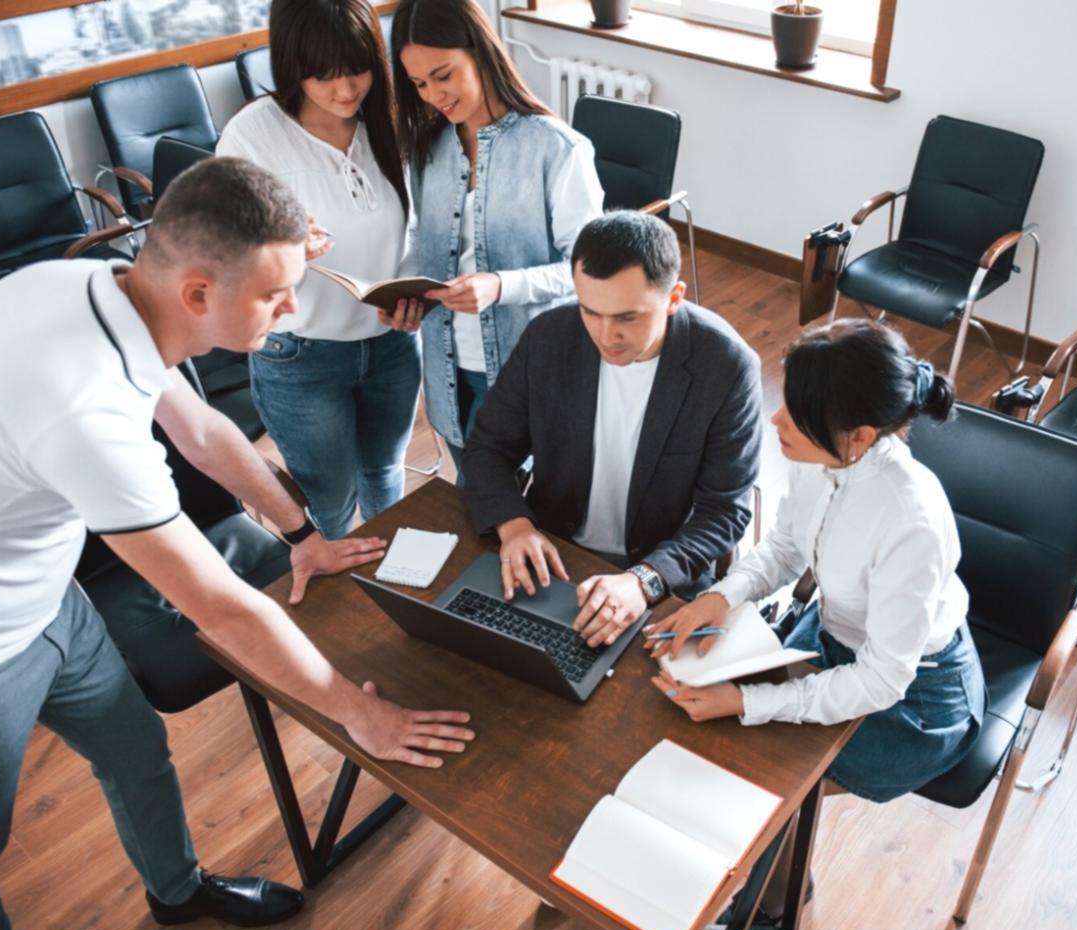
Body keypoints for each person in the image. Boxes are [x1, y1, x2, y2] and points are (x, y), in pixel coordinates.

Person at [0, 158, 475, 930]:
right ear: (198, 294)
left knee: (137, 752)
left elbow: (202, 432)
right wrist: (363, 718)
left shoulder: (90, 287)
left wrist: (304, 538)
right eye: (275, 293)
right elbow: (221, 607)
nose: (292, 307)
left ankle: (178, 894)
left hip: (48, 597)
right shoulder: (84, 409)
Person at [649, 319, 985, 806]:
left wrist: (747, 701)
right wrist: (721, 596)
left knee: (760, 784)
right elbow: (785, 548)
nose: (776, 420)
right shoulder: (824, 456)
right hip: (831, 636)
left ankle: (783, 855)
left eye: (796, 412)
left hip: (912, 697)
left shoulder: (911, 521)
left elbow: (881, 680)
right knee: (713, 740)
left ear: (860, 435)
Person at [461, 211, 762, 647]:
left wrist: (644, 580)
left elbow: (724, 511)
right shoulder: (548, 337)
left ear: (674, 298)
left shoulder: (728, 367)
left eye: (627, 317)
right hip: (552, 553)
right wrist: (514, 525)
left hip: (662, 575)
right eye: (590, 311)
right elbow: (488, 447)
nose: (606, 335)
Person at [217, 0, 423, 539]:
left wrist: (413, 293)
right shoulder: (252, 136)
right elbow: (224, 254)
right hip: (300, 355)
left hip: (391, 343)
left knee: (384, 476)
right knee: (328, 503)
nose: (347, 90)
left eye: (358, 69)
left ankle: (389, 579)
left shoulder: (392, 119)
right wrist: (282, 250)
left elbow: (420, 226)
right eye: (324, 75)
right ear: (292, 66)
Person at [390, 0, 605, 477]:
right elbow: (421, 240)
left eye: (443, 75)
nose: (433, 95)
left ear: (480, 51)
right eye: (419, 84)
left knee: (507, 501)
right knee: (474, 498)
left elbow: (589, 272)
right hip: (447, 370)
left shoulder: (557, 148)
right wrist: (404, 292)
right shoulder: (428, 149)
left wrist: (501, 285)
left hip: (524, 369)